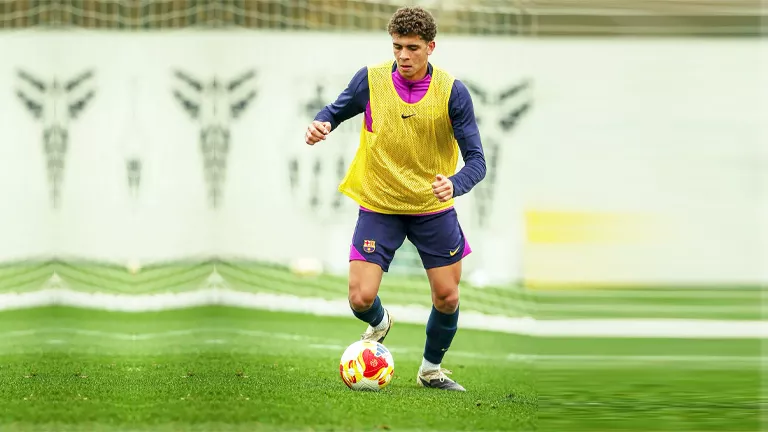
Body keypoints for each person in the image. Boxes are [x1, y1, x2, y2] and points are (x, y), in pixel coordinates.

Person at [304, 6, 486, 391]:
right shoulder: (370, 80)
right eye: (397, 47)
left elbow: (477, 161)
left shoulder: (453, 92)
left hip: (432, 208)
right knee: (360, 298)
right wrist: (321, 124)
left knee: (448, 297)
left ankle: (431, 370)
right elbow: (333, 112)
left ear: (431, 47)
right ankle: (381, 321)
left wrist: (455, 184)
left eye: (412, 48)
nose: (403, 55)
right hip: (379, 204)